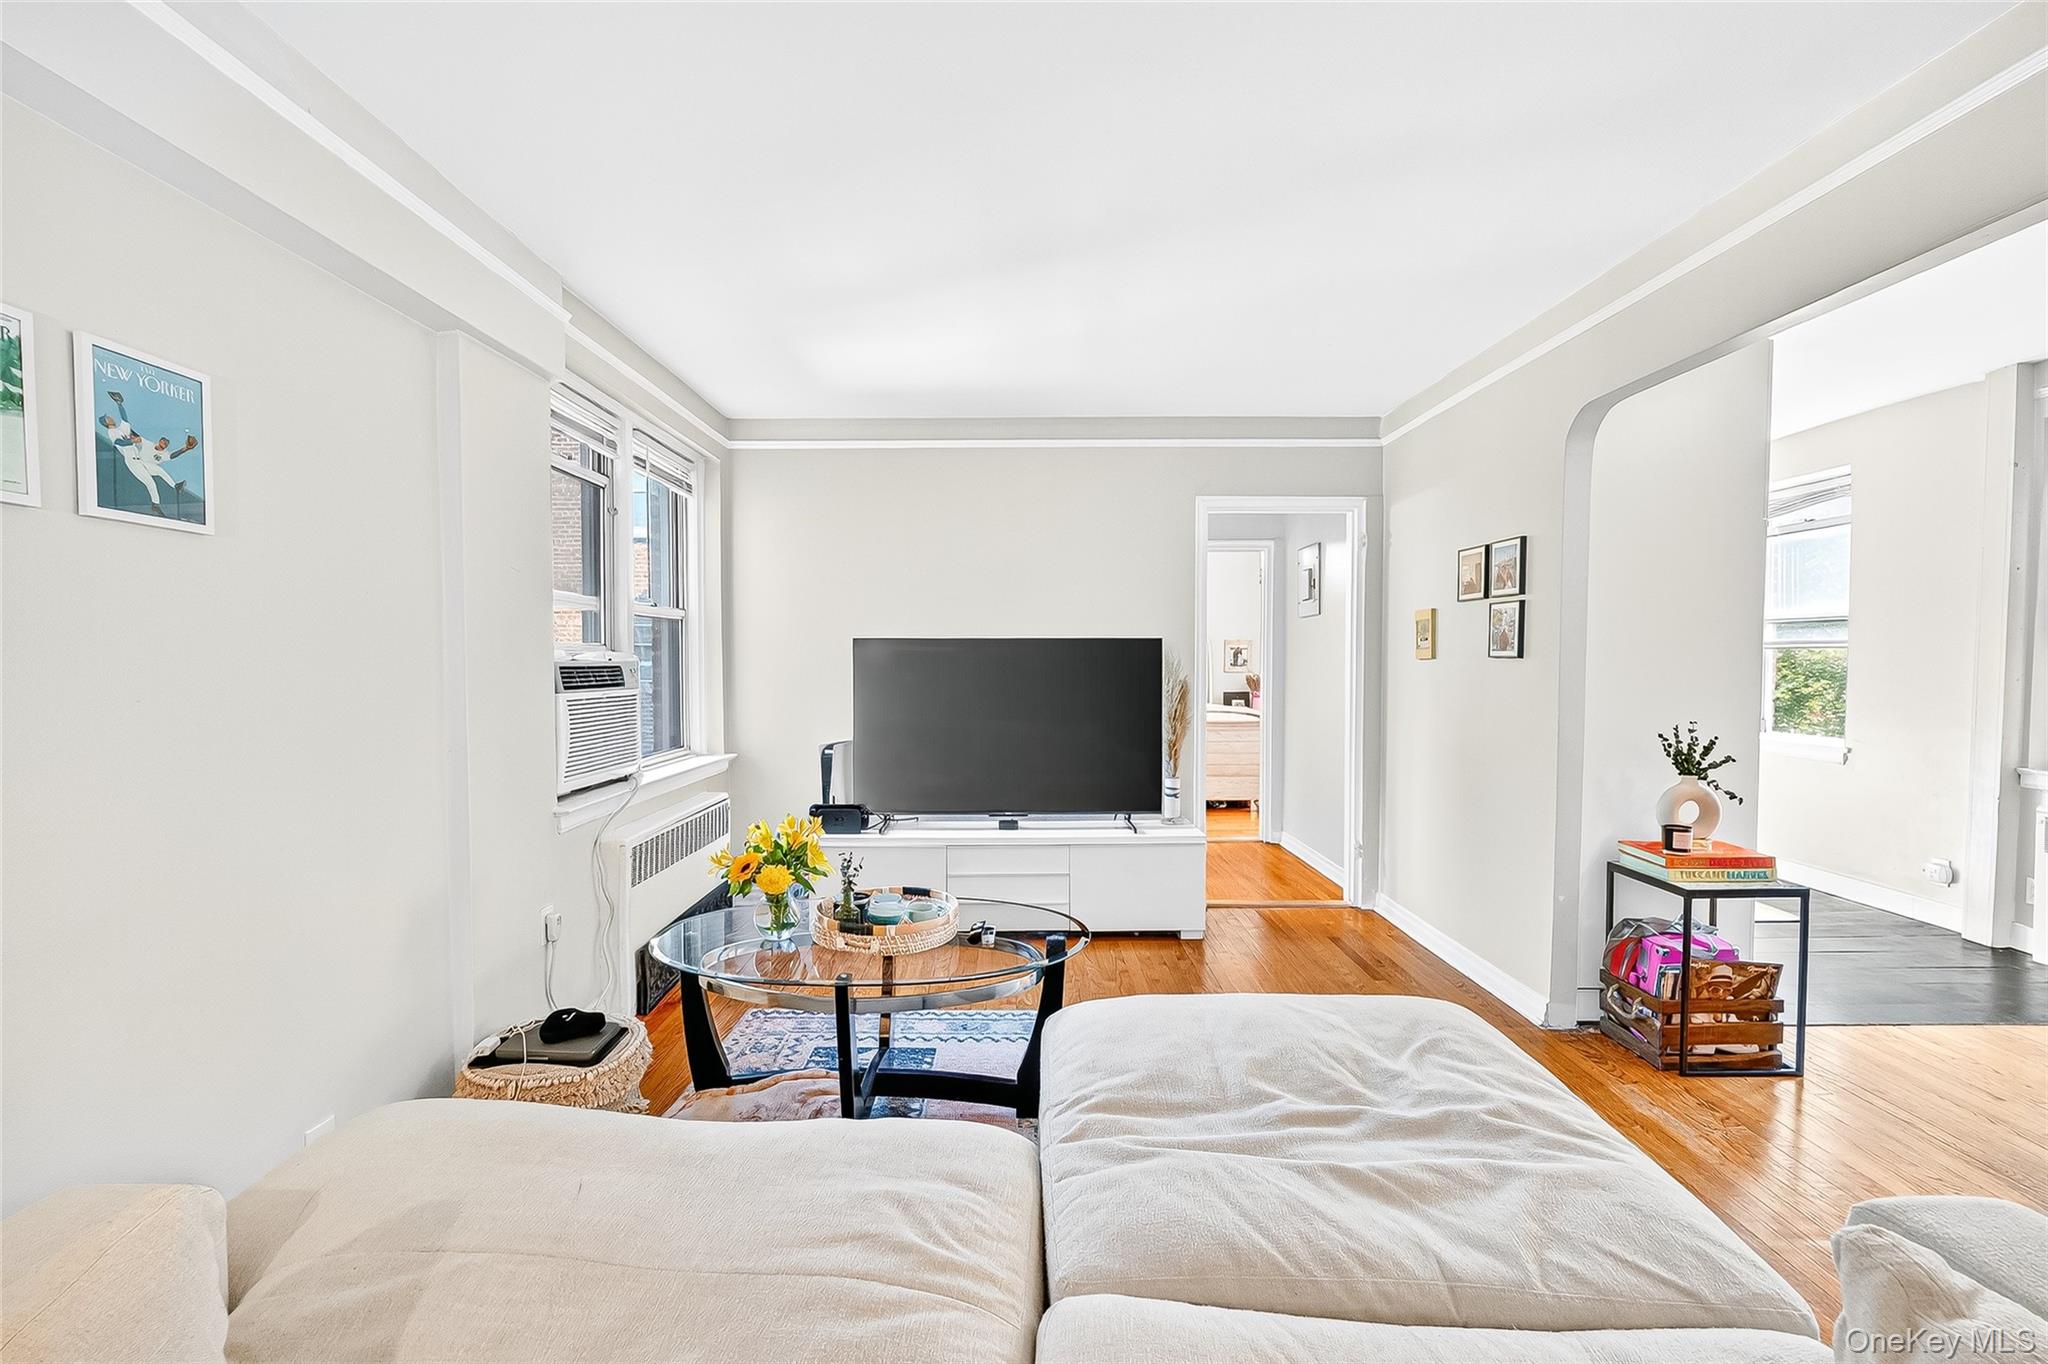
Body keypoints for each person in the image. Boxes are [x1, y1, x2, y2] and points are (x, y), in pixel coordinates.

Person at [101, 391, 197, 515]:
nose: (110, 417)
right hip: (132, 462)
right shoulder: (112, 432)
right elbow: (119, 443)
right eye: (107, 418)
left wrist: (119, 404)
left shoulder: (121, 429)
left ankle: (176, 486)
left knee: (160, 471)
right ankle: (155, 505)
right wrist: (131, 441)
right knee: (150, 482)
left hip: (140, 461)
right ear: (106, 423)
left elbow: (125, 419)